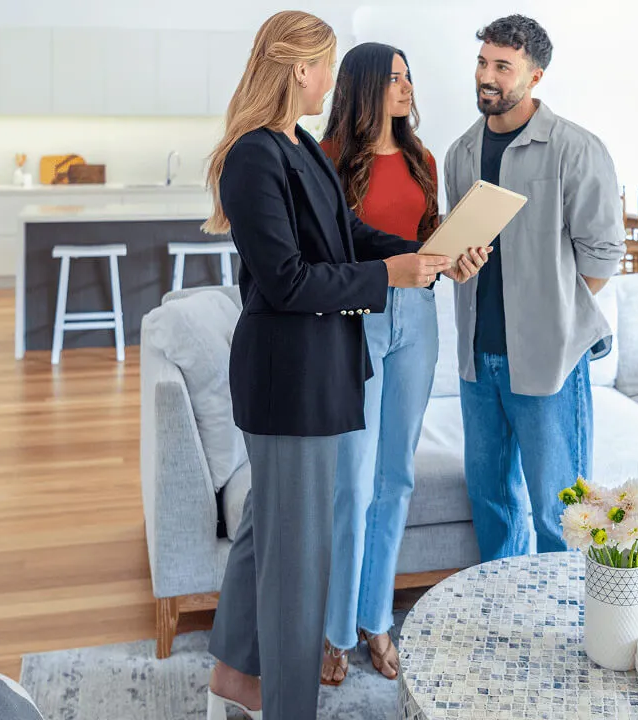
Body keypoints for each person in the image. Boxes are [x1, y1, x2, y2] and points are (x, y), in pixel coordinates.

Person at [200, 12, 461, 720]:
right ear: (297, 70)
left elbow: (348, 234)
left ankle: (236, 679)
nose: (332, 78)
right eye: (326, 65)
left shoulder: (301, 148)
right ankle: (288, 707)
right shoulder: (253, 156)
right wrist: (389, 279)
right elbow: (285, 280)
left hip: (316, 373)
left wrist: (423, 259)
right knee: (296, 560)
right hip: (288, 380)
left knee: (266, 532)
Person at [317, 42, 489, 686]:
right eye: (393, 78)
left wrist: (457, 256)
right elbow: (331, 259)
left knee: (397, 480)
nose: (407, 87)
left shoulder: (422, 159)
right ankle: (335, 632)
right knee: (353, 485)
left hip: (417, 320)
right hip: (355, 323)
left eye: (409, 76)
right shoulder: (327, 160)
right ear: (363, 88)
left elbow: (424, 246)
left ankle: (376, 622)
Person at [444, 15, 625, 562]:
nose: (487, 76)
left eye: (503, 66)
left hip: (549, 365)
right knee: (492, 501)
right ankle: (506, 613)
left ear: (535, 76)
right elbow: (457, 247)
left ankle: (567, 627)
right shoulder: (460, 154)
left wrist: (556, 317)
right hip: (479, 361)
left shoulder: (575, 148)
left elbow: (603, 253)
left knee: (559, 512)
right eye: (483, 62)